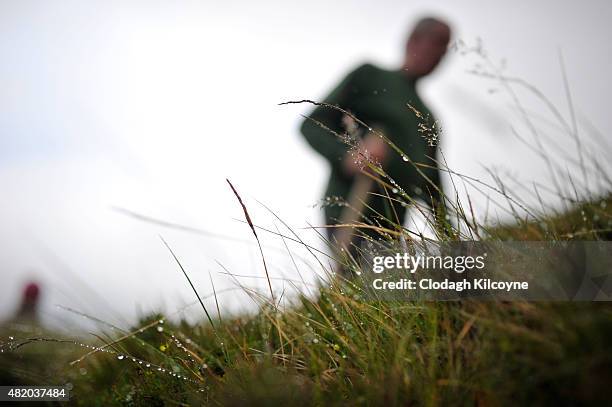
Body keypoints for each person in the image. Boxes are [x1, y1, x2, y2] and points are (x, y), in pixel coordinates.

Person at [300, 17, 451, 248]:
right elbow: (311, 125)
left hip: (392, 230)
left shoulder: (427, 118)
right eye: (438, 43)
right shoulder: (370, 77)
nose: (441, 54)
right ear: (413, 40)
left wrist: (451, 239)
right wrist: (349, 156)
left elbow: (433, 186)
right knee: (364, 278)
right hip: (350, 212)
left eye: (446, 48)